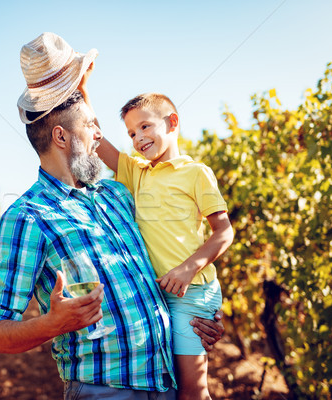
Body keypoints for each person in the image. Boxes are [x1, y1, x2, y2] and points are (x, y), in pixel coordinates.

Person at [0, 32, 225, 400]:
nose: (100, 136)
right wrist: (52, 323)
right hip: (105, 393)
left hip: (167, 384)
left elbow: (172, 249)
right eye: (91, 127)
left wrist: (196, 316)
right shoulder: (28, 217)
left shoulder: (116, 195)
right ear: (61, 137)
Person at [80, 73, 234, 399]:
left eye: (145, 127)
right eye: (132, 133)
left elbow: (224, 231)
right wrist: (82, 90)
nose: (138, 138)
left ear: (172, 122)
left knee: (193, 391)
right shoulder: (136, 172)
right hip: (157, 294)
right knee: (172, 386)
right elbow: (95, 137)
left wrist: (188, 268)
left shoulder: (196, 173)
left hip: (192, 292)